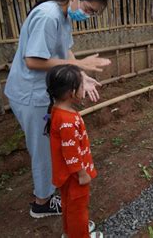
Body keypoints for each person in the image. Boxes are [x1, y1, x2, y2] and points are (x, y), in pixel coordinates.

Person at [4, 0, 111, 218]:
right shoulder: (48, 15)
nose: (88, 16)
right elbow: (32, 60)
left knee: (49, 145)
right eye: (88, 10)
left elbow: (65, 51)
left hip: (40, 91)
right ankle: (41, 203)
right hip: (30, 94)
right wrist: (80, 65)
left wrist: (80, 75)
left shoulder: (61, 16)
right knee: (42, 149)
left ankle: (48, 190)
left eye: (93, 13)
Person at [46, 65, 102, 238]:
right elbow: (71, 153)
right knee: (78, 208)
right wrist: (82, 173)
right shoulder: (67, 120)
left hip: (65, 174)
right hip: (74, 175)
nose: (84, 89)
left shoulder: (57, 110)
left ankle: (70, 232)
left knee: (69, 204)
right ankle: (80, 234)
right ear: (72, 93)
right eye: (81, 86)